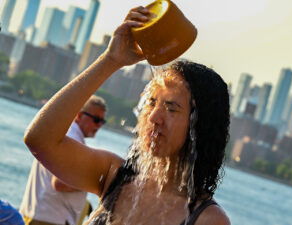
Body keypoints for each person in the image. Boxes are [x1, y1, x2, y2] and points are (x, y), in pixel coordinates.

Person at [23, 6, 231, 225]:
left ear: (199, 126)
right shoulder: (113, 176)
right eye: (151, 103)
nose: (153, 117)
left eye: (171, 108)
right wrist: (111, 60)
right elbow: (40, 141)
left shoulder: (207, 219)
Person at [20, 96, 107, 225]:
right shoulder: (73, 141)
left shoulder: (61, 134)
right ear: (78, 116)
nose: (99, 125)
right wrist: (98, 182)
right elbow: (61, 183)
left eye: (102, 121)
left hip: (35, 214)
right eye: (96, 119)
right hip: (51, 219)